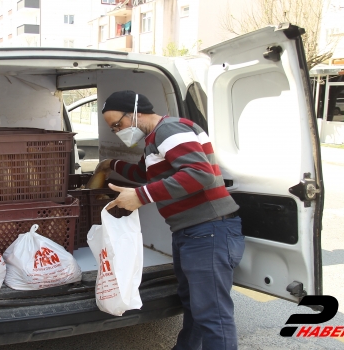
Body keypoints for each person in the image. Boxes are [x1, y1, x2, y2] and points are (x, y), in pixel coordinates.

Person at [96, 90, 245, 350]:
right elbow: (145, 173)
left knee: (212, 315)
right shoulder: (154, 138)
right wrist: (111, 164)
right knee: (195, 307)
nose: (118, 131)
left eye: (118, 124)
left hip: (209, 230)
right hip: (190, 233)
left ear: (134, 111)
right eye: (113, 129)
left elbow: (200, 174)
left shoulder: (170, 129)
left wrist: (141, 197)